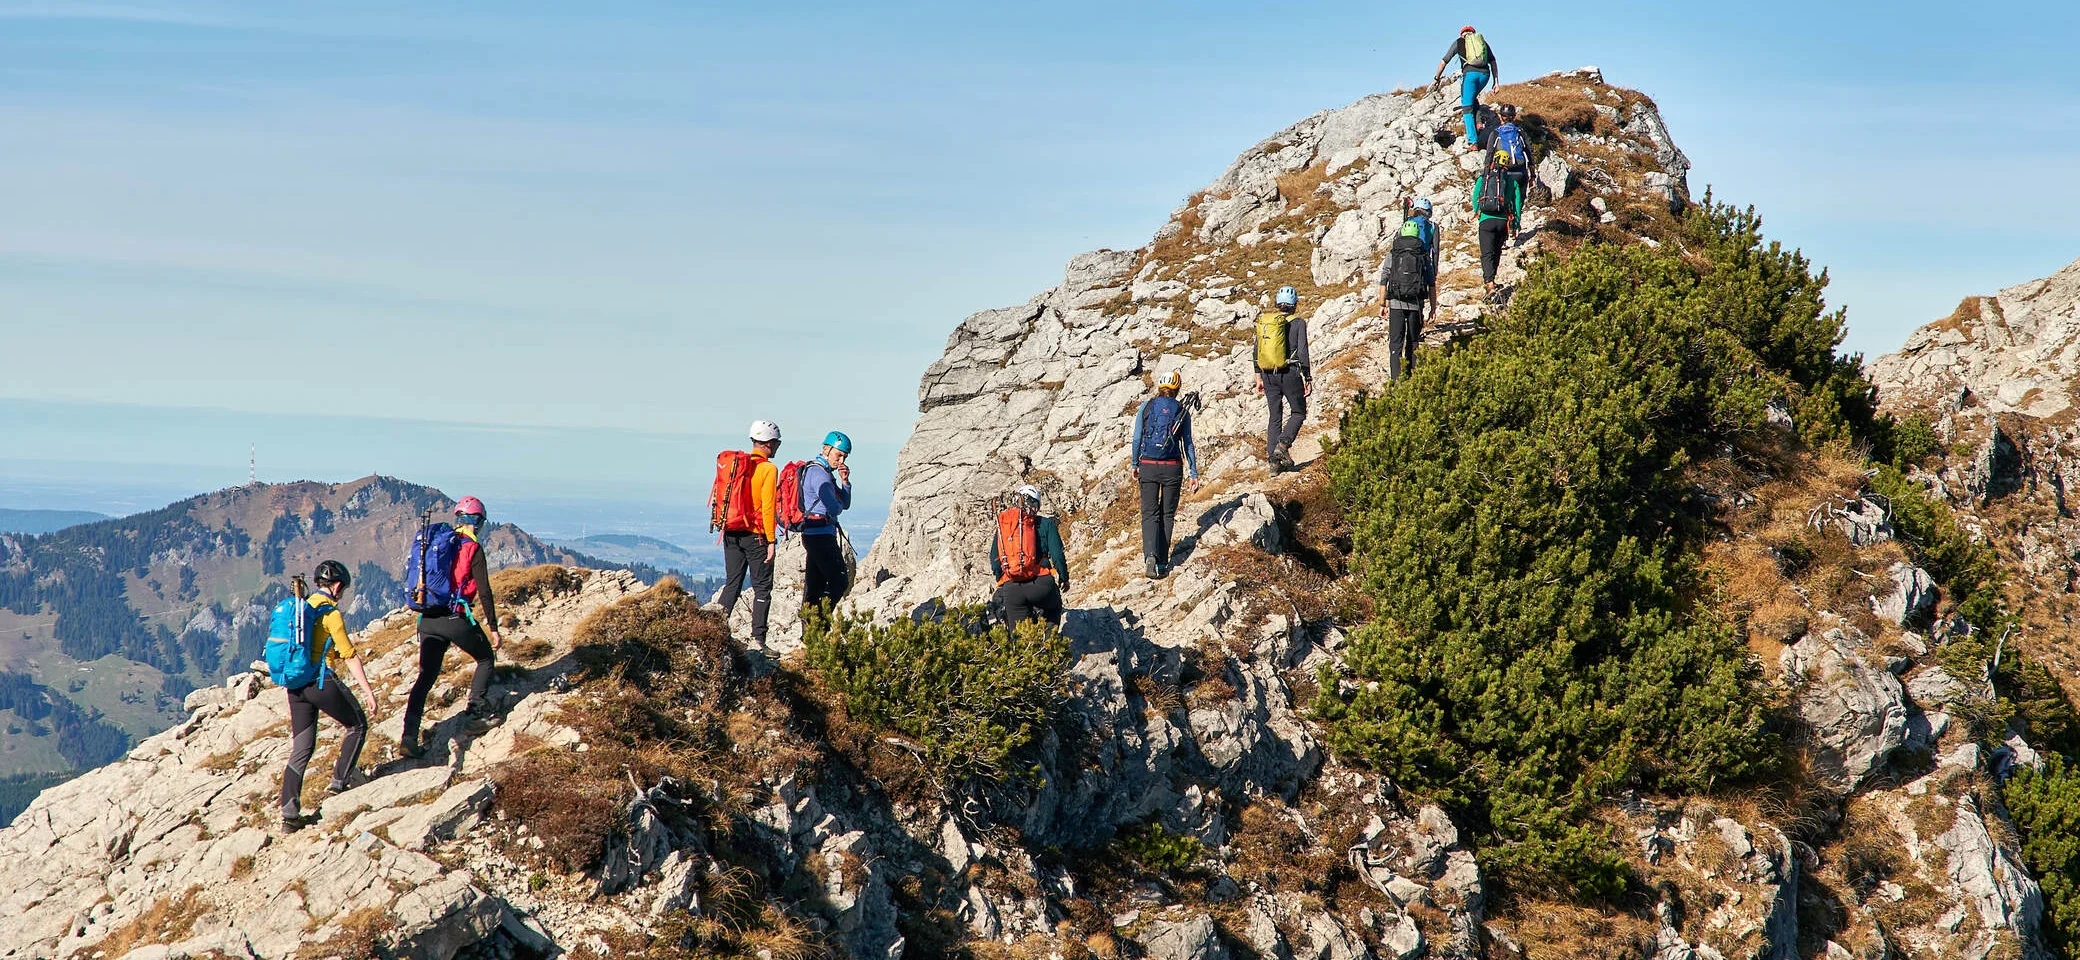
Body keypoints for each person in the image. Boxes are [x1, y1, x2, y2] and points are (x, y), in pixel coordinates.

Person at [399, 497, 503, 758]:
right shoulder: (472, 547)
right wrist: (493, 627)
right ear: (477, 521)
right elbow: (484, 590)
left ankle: (408, 737)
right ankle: (475, 715)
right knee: (485, 658)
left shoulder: (438, 542)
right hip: (454, 618)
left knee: (425, 677)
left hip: (428, 620)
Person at [280, 560, 381, 830]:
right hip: (320, 680)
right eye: (343, 589)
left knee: (302, 748)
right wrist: (369, 692)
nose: (342, 594)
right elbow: (348, 654)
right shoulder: (330, 614)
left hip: (296, 685)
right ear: (336, 586)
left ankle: (289, 816)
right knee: (357, 725)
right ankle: (340, 783)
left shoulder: (300, 607)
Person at [712, 420, 782, 644]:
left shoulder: (737, 466)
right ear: (769, 444)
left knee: (732, 582)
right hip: (756, 535)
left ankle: (712, 631)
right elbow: (768, 506)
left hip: (731, 531)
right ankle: (758, 640)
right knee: (762, 588)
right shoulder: (768, 469)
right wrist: (771, 540)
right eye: (777, 443)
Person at [1130, 371, 1199, 579]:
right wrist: (1193, 472)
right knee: (1167, 514)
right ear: (1177, 390)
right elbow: (1188, 443)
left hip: (1148, 465)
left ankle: (1150, 555)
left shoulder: (1147, 406)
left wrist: (1135, 463)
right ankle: (1161, 562)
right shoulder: (1182, 411)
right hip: (1172, 467)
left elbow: (1136, 439)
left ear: (1159, 387)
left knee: (1149, 513)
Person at [990, 485, 1070, 629]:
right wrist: (1064, 577)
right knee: (1053, 609)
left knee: (1021, 638)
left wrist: (1005, 579)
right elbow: (1057, 555)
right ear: (1036, 505)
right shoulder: (1046, 524)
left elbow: (994, 561)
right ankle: (1049, 644)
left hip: (1012, 587)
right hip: (1041, 584)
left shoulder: (1005, 527)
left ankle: (1030, 650)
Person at [1378, 199, 1439, 380]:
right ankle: (1411, 378)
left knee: (1395, 344)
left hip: (1395, 302)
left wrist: (1383, 303)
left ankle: (1396, 382)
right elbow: (1431, 283)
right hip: (1415, 303)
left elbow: (1384, 277)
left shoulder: (1394, 253)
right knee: (1412, 342)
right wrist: (1433, 308)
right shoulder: (1423, 255)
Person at [1254, 286, 1312, 472]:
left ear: (1277, 304)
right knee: (1298, 412)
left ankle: (1273, 464)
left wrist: (1258, 375)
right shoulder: (1298, 323)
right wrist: (1307, 377)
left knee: (1275, 417)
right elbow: (1302, 352)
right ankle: (1283, 445)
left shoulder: (1266, 322)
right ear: (1295, 305)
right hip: (1290, 373)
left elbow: (1257, 351)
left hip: (1268, 374)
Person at [799, 430, 853, 611]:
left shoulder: (823, 472)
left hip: (814, 534)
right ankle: (820, 622)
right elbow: (836, 508)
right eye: (839, 455)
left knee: (815, 585)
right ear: (827, 449)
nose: (841, 461)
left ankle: (810, 634)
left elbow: (844, 504)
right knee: (839, 580)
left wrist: (845, 482)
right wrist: (836, 501)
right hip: (820, 535)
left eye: (844, 457)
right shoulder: (819, 474)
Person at [1471, 150, 1525, 299]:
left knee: (1486, 253)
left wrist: (1478, 212)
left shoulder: (1484, 178)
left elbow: (1476, 196)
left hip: (1486, 221)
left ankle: (1489, 283)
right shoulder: (1512, 181)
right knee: (1496, 251)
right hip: (1502, 222)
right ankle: (1492, 279)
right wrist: (1516, 224)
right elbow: (1517, 203)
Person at [1435, 26, 1498, 149]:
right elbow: (1493, 61)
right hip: (1485, 75)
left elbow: (1444, 61)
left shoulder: (1459, 42)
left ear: (1461, 34)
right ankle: (1479, 122)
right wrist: (1496, 82)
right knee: (1473, 97)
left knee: (1467, 108)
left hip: (1470, 74)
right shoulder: (1482, 42)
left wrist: (1436, 78)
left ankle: (1473, 142)